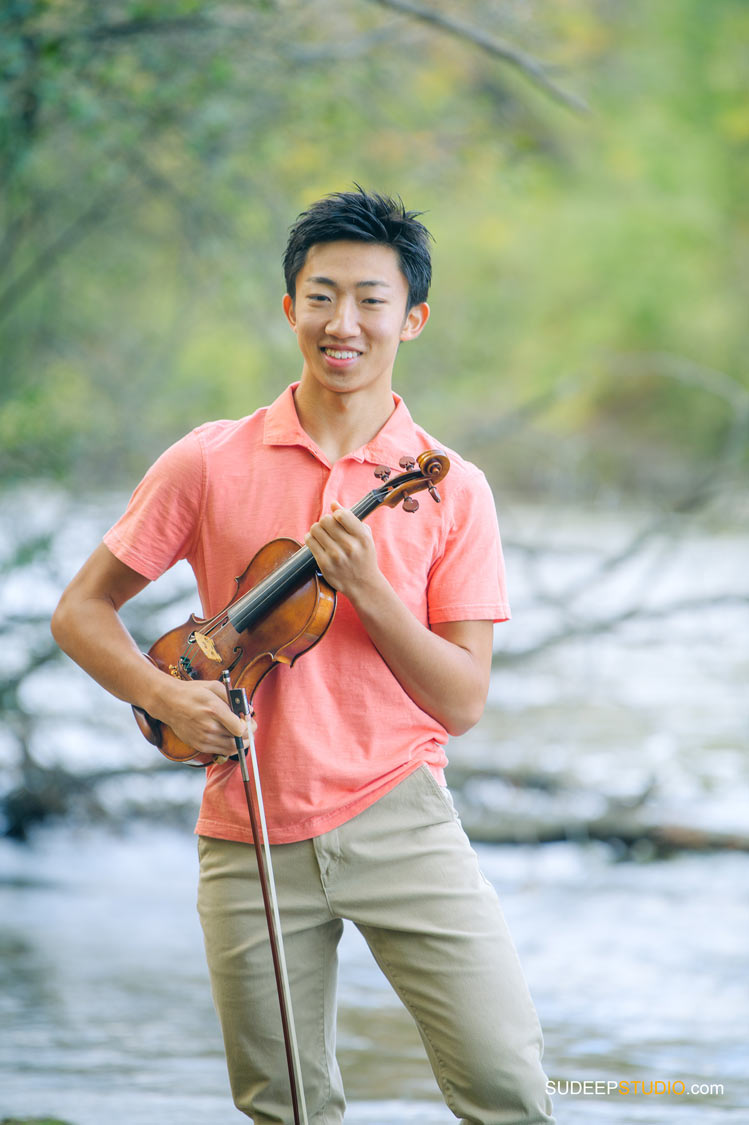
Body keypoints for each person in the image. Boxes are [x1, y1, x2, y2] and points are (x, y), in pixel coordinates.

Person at [51, 187, 554, 1125]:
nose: (344, 322)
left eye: (371, 299)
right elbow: (81, 612)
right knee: (285, 1107)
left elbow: (462, 699)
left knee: (506, 1087)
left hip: (400, 817)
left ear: (414, 318)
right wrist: (165, 692)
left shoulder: (453, 490)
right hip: (247, 825)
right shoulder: (208, 459)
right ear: (290, 309)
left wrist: (369, 590)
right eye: (321, 296)